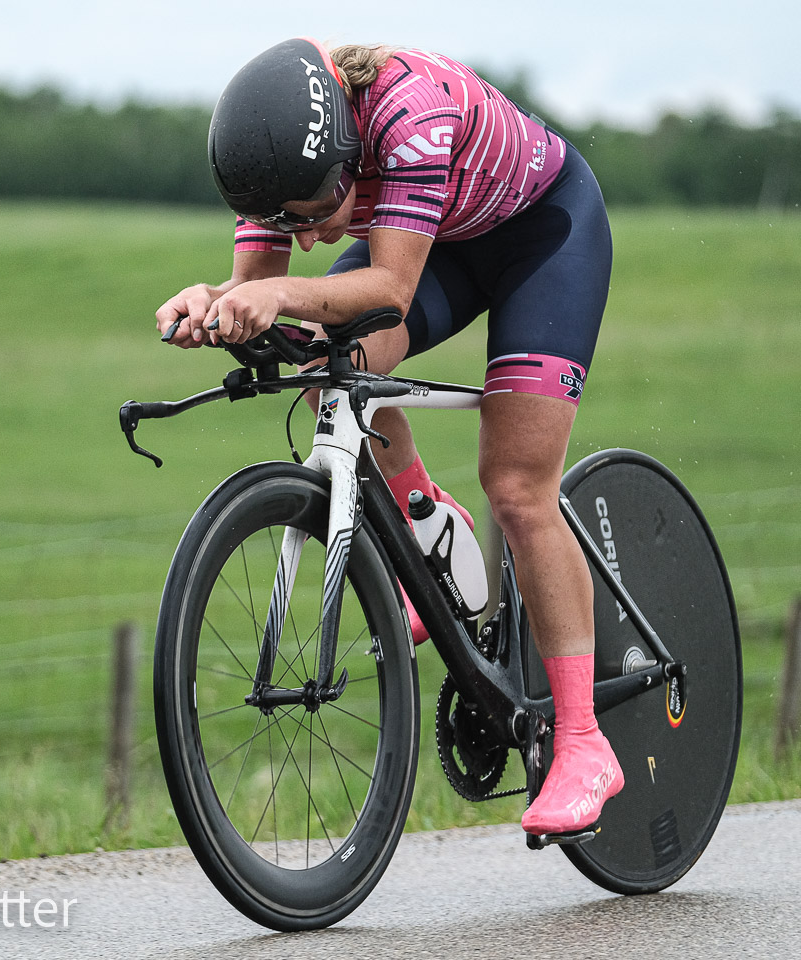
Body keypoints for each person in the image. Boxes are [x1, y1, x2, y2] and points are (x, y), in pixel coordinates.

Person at [155, 38, 621, 839]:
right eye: (285, 223)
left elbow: (391, 289)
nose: (305, 240)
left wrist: (280, 296)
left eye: (314, 217)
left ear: (346, 153)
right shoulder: (274, 155)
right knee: (317, 360)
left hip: (541, 236)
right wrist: (213, 302)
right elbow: (261, 292)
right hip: (442, 239)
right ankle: (427, 518)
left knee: (517, 486)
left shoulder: (409, 114)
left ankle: (584, 742)